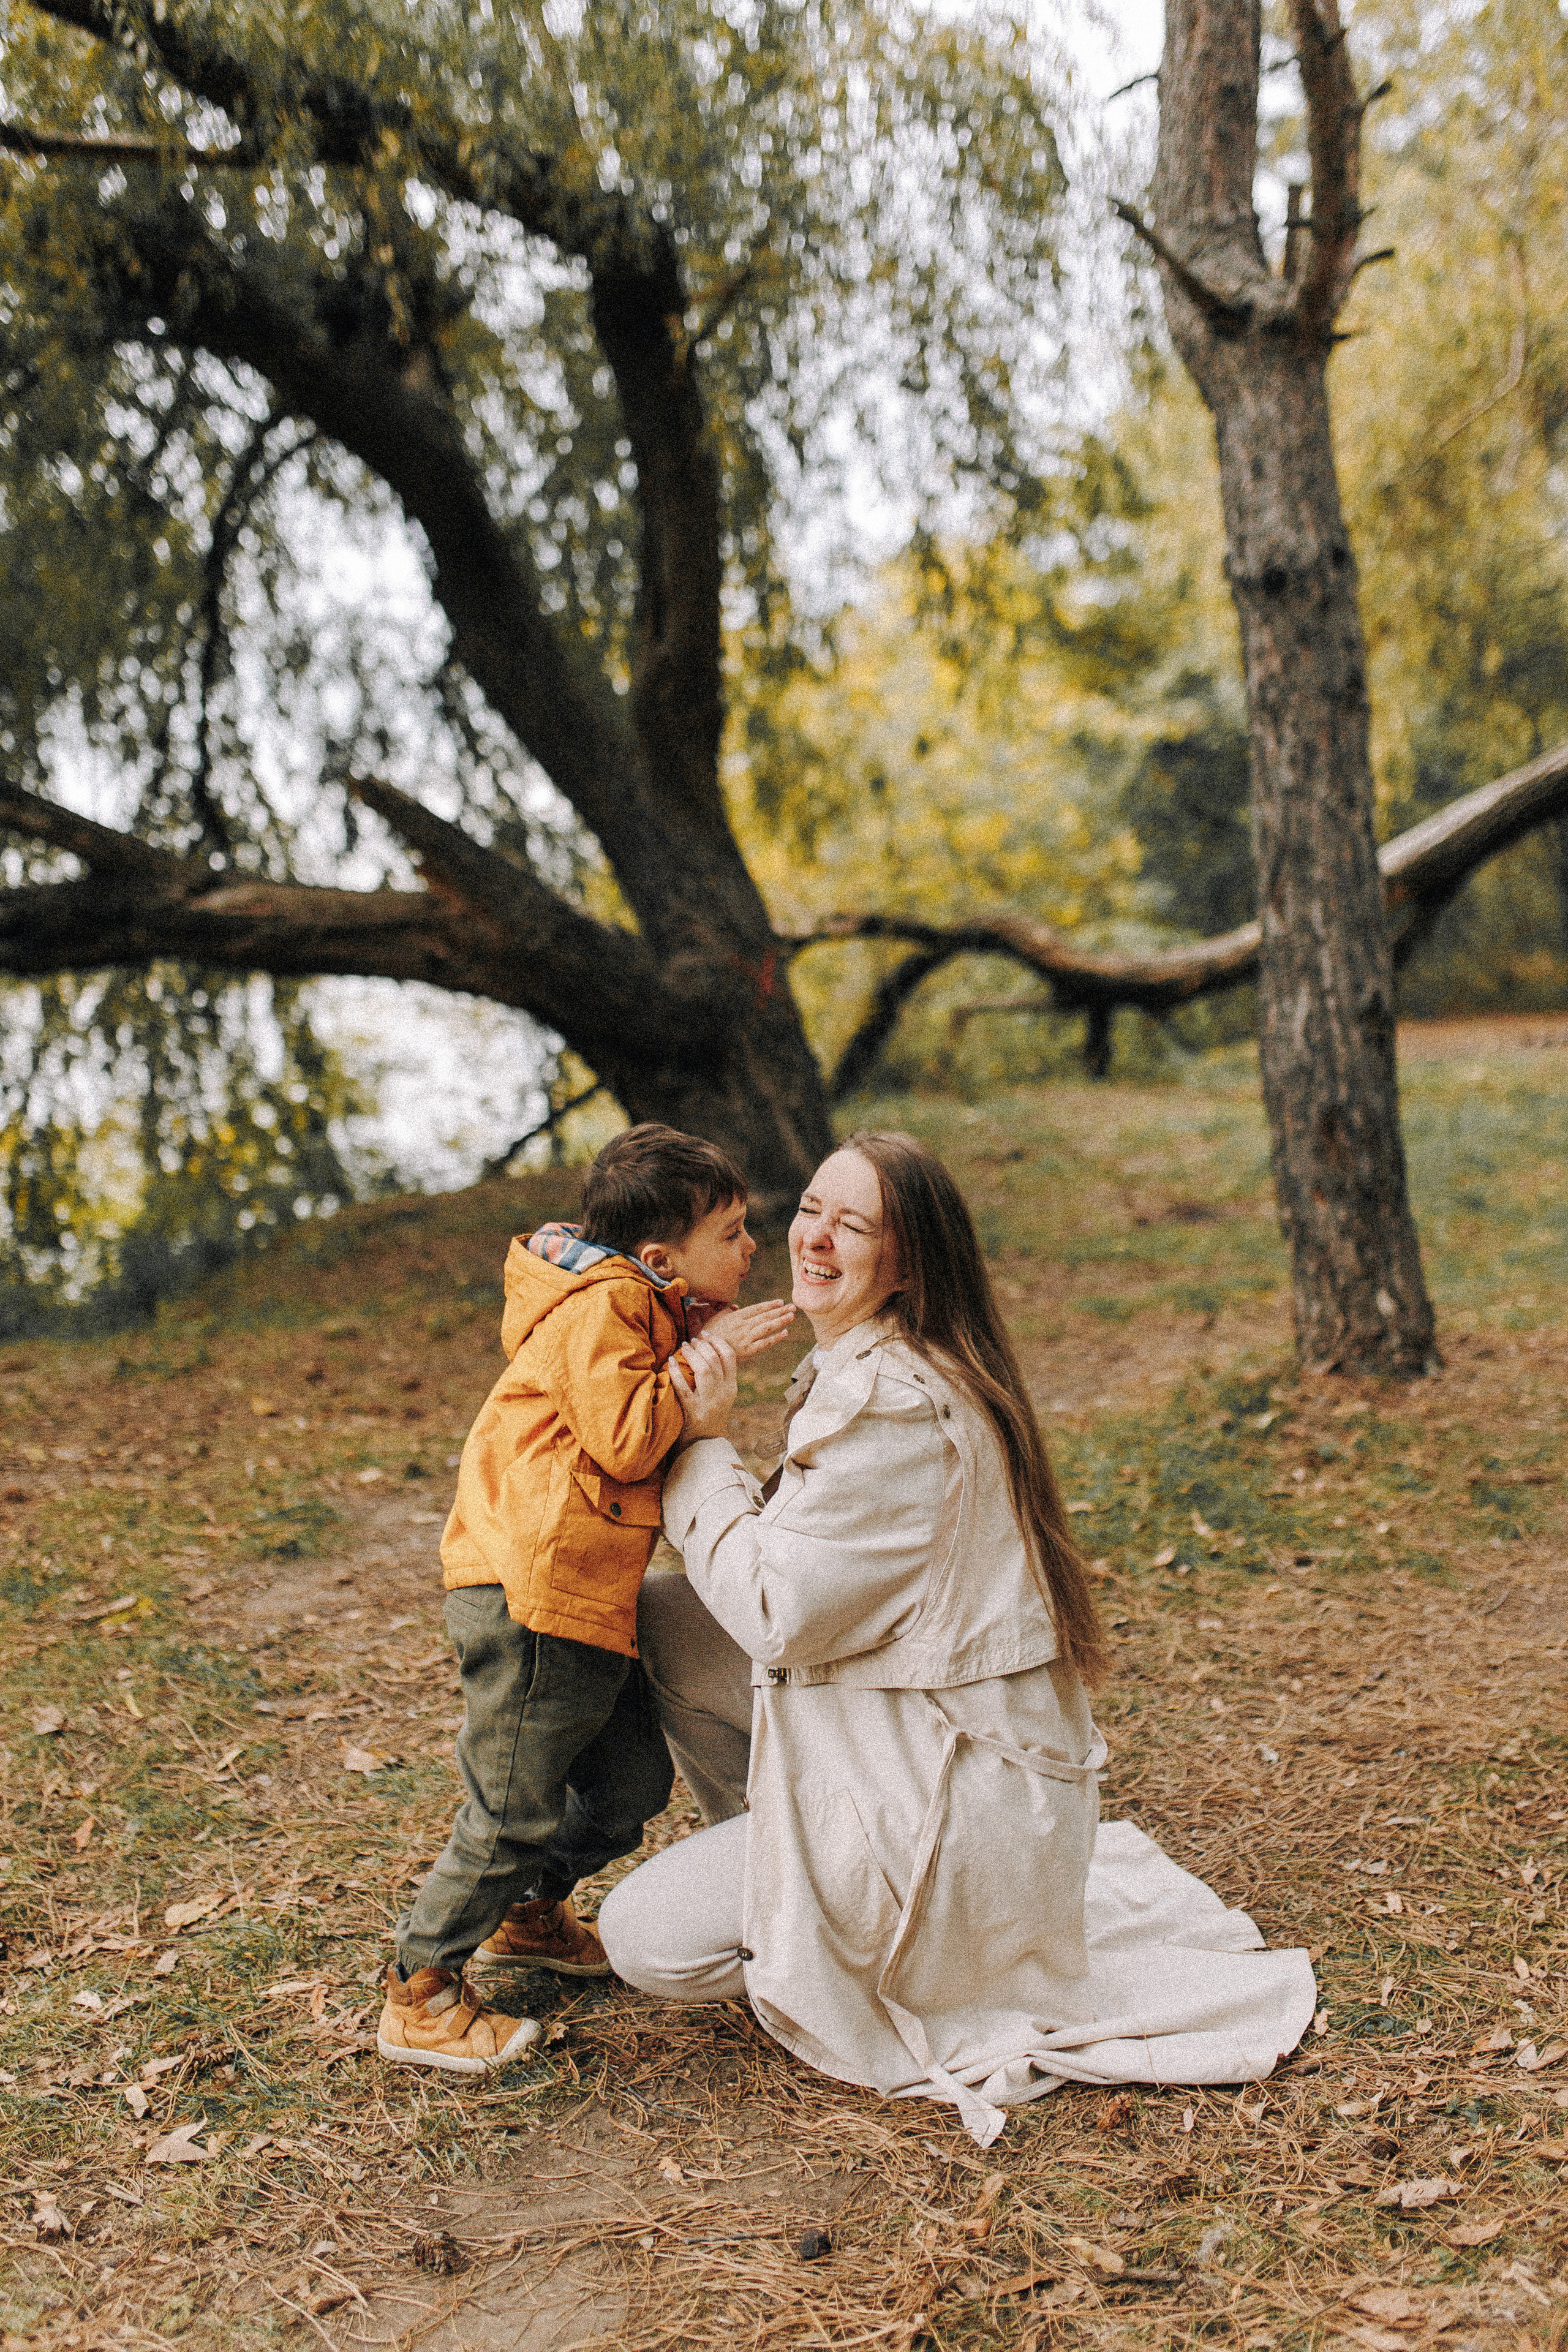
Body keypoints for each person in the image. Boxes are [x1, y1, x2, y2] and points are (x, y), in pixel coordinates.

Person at [598, 1131, 1316, 2145]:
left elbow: (772, 1613)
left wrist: (702, 1442)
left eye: (854, 1226)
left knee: (642, 1938)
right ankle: (776, 1865)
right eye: (810, 1210)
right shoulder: (877, 1360)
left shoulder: (898, 1407)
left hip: (948, 1809)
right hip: (906, 1736)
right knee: (668, 1614)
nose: (814, 1238)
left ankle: (836, 1926)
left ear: (908, 1264)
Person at [377, 1123, 796, 2075]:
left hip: (587, 1599)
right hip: (530, 1596)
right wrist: (706, 1360)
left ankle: (527, 1915)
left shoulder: (643, 1306)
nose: (751, 1247)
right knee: (512, 1807)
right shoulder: (603, 1305)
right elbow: (626, 1439)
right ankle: (419, 1989)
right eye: (731, 1232)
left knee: (629, 1786)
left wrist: (695, 1343)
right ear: (661, 1258)